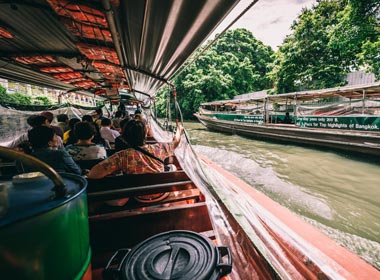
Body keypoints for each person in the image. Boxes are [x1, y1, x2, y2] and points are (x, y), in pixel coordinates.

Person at [88, 120, 183, 179]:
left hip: (138, 197)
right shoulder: (159, 148)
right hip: (161, 194)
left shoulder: (121, 156)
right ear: (145, 135)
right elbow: (176, 142)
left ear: (124, 136)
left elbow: (93, 174)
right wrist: (179, 130)